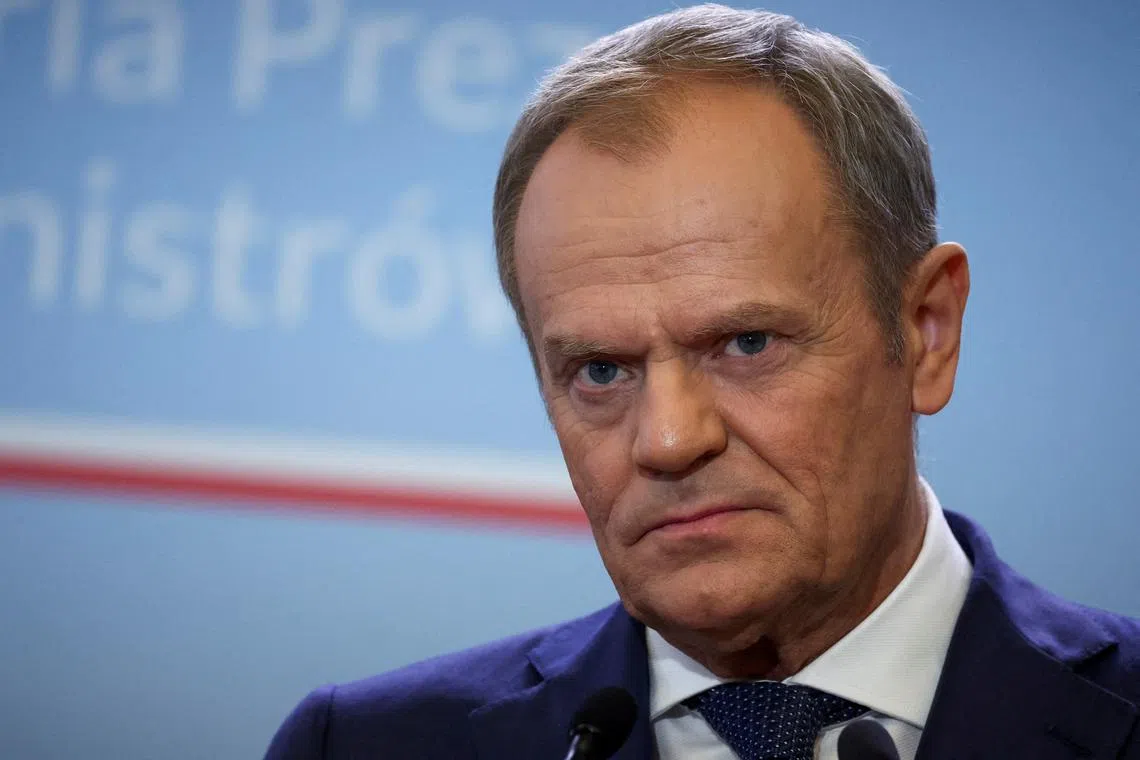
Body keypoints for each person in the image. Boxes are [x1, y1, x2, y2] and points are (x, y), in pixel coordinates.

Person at [264, 5, 1140, 759]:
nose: (670, 440)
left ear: (926, 332)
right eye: (600, 371)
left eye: (746, 343)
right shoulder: (369, 745)